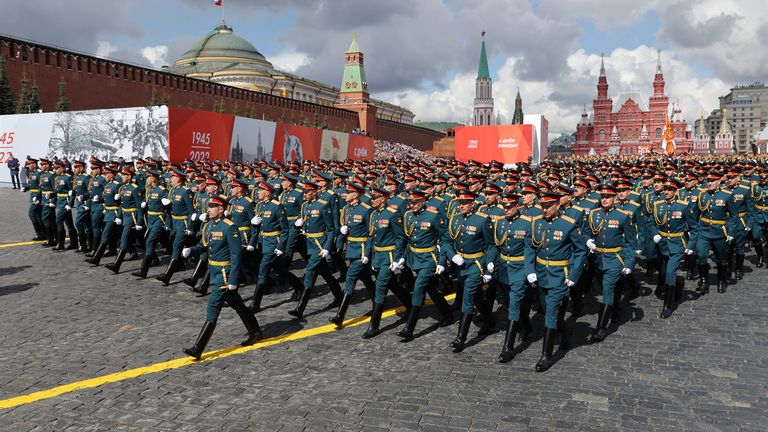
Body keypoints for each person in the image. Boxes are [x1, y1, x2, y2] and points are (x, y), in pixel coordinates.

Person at [182, 194, 262, 360]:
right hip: (214, 272)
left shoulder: (229, 227)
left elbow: (236, 255)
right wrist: (192, 250)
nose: (209, 209)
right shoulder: (209, 226)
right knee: (238, 304)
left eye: (213, 207)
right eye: (209, 206)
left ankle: (198, 347)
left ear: (221, 209)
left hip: (225, 275)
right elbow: (204, 246)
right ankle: (255, 331)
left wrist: (233, 280)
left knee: (213, 307)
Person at [529, 191, 586, 372]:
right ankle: (565, 333)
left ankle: (546, 356)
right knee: (548, 312)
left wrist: (574, 275)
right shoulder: (536, 223)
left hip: (559, 275)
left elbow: (580, 251)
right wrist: (530, 270)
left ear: (557, 205)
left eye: (548, 206)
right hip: (540, 274)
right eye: (542, 206)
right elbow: (530, 247)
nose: (545, 210)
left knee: (551, 312)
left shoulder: (568, 224)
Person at [394, 188, 453, 342]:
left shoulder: (434, 216)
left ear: (423, 201)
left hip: (429, 258)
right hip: (415, 257)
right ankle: (448, 314)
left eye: (415, 202)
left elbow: (445, 239)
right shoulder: (408, 216)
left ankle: (409, 329)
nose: (412, 205)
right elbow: (409, 239)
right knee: (431, 289)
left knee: (419, 287)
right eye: (410, 202)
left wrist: (442, 261)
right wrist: (402, 257)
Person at [443, 188, 497, 352]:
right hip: (460, 264)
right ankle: (489, 320)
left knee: (468, 296)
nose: (462, 206)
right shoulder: (455, 219)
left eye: (465, 203)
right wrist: (452, 256)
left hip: (475, 263)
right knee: (476, 296)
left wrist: (489, 266)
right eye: (460, 203)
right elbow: (446, 240)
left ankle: (461, 338)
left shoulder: (482, 220)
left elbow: (491, 245)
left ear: (472, 204)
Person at [585, 184, 635, 343]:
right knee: (608, 287)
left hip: (614, 258)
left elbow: (630, 241)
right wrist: (587, 240)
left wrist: (629, 262)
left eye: (608, 197)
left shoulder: (623, 216)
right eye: (603, 197)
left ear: (615, 198)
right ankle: (616, 308)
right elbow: (587, 231)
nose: (605, 199)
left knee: (607, 289)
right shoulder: (594, 214)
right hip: (597, 258)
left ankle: (600, 328)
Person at [288, 180, 342, 319]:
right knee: (324, 272)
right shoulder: (305, 206)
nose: (304, 194)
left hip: (319, 244)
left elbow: (330, 229)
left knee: (310, 270)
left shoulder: (323, 206)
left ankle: (300, 307)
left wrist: (327, 247)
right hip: (309, 243)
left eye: (307, 192)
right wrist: (300, 225)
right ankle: (339, 295)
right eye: (304, 192)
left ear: (315, 192)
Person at [494, 193, 535, 363]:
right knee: (515, 303)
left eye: (509, 207)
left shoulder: (527, 223)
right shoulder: (499, 222)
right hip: (504, 269)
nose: (506, 210)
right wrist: (491, 263)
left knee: (515, 303)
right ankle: (527, 325)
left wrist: (530, 270)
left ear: (517, 206)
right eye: (504, 207)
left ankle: (507, 348)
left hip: (520, 268)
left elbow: (530, 249)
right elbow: (495, 245)